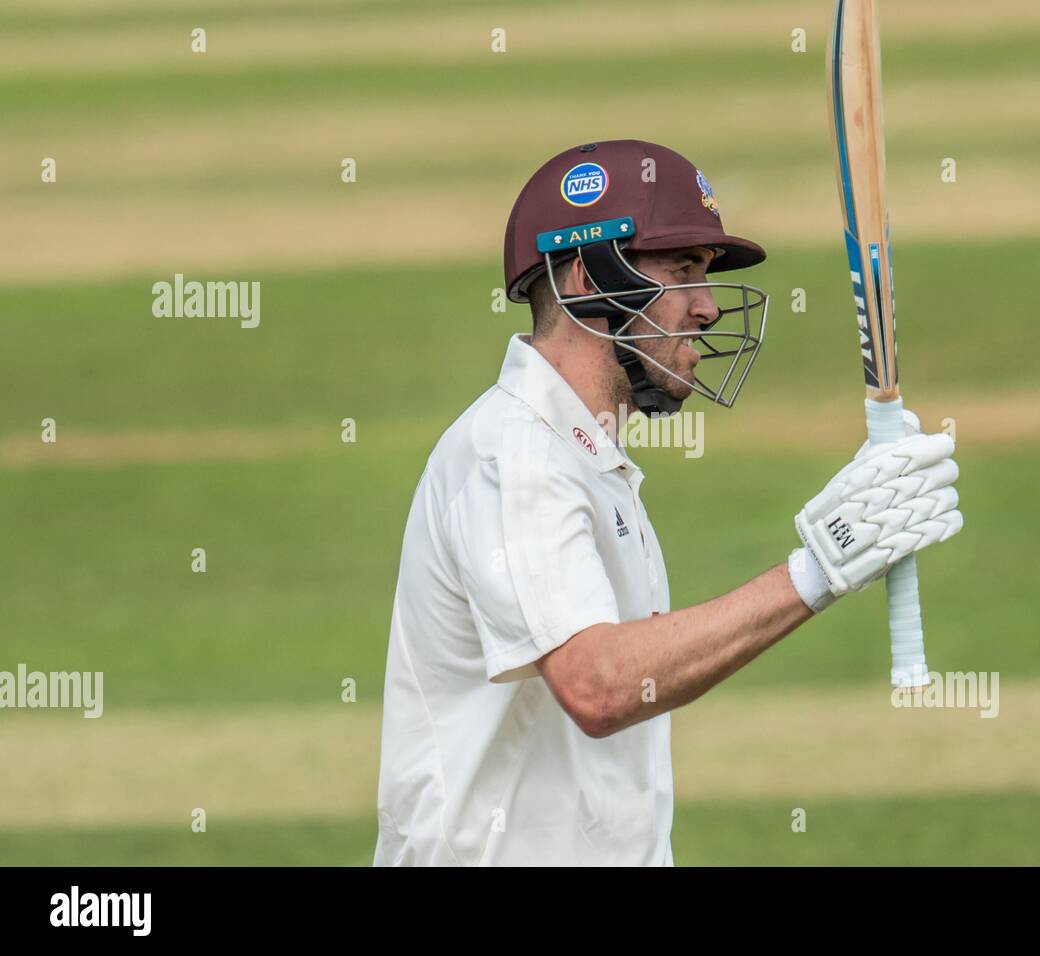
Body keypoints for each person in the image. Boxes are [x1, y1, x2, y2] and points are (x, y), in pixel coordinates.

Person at [373, 139, 962, 866]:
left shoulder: (585, 456)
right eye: (682, 271)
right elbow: (598, 685)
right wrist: (822, 565)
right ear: (589, 277)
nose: (708, 307)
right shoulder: (515, 457)